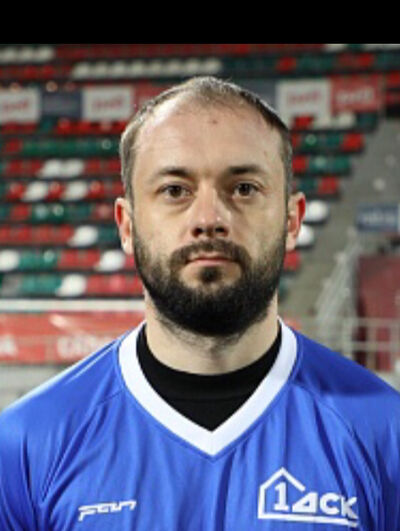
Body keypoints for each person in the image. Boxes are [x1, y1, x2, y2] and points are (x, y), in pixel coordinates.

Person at [0, 76, 399, 530]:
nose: (209, 219)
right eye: (175, 190)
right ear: (127, 226)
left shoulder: (384, 432)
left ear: (292, 220)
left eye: (243, 188)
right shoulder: (26, 444)